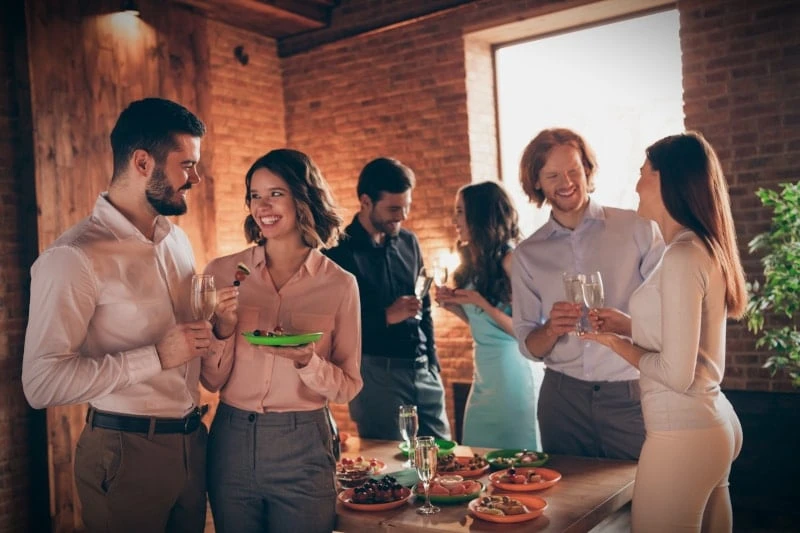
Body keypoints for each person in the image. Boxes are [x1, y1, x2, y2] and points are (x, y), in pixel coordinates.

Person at [22, 98, 214, 532]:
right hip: (124, 453)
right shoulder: (73, 257)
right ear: (143, 162)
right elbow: (40, 384)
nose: (196, 178)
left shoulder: (177, 242)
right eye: (187, 164)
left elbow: (189, 343)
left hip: (192, 446)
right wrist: (157, 356)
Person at [582, 132, 745, 532]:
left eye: (642, 172)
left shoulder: (682, 256)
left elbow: (676, 372)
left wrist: (615, 344)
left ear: (666, 179)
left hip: (682, 433)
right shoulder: (698, 248)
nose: (636, 183)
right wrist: (626, 323)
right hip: (710, 424)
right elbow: (684, 337)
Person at [201, 149, 362, 533]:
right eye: (255, 195)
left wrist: (308, 361)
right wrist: (222, 327)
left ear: (302, 198)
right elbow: (210, 381)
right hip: (231, 439)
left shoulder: (340, 284)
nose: (263, 206)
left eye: (276, 193)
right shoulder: (223, 272)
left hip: (304, 444)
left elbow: (348, 386)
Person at [511, 127, 665, 460]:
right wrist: (550, 329)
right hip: (562, 400)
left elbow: (668, 315)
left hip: (629, 394)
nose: (565, 182)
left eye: (573, 171)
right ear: (537, 182)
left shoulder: (638, 228)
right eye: (552, 175)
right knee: (570, 505)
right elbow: (527, 344)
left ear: (587, 171)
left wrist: (625, 324)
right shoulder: (527, 254)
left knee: (644, 499)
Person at [325, 157, 451, 441]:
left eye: (406, 207)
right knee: (392, 470)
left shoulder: (410, 242)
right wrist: (384, 317)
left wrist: (433, 363)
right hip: (375, 374)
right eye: (394, 209)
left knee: (445, 457)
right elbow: (331, 325)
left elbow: (425, 307)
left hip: (423, 369)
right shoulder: (337, 251)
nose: (402, 216)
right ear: (366, 201)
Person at [435, 181, 544, 449]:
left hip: (511, 371)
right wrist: (454, 306)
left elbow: (525, 331)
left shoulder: (511, 259)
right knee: (477, 451)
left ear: (480, 215)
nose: (454, 220)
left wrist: (480, 301)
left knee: (514, 456)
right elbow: (484, 324)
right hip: (484, 373)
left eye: (460, 212)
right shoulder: (475, 262)